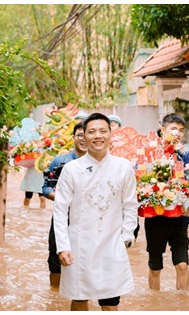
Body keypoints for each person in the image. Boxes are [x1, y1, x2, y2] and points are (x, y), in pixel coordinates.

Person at [53, 113, 138, 311]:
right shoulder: (72, 169)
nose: (97, 136)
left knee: (110, 303)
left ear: (110, 134)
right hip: (78, 247)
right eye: (91, 132)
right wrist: (62, 246)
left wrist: (126, 237)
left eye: (102, 131)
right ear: (83, 136)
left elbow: (130, 205)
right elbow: (60, 210)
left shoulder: (123, 167)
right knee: (80, 299)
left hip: (112, 245)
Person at [145, 113, 189, 291]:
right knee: (155, 267)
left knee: (182, 264)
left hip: (179, 220)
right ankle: (155, 303)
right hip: (155, 218)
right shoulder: (150, 152)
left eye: (181, 130)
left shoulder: (188, 155)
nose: (178, 133)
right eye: (173, 129)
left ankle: (182, 305)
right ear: (163, 130)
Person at [42, 122, 88, 288]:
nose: (83, 139)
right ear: (74, 137)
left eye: (86, 135)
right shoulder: (59, 161)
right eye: (79, 135)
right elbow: (46, 187)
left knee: (86, 258)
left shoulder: (99, 163)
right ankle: (55, 297)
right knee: (55, 259)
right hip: (63, 215)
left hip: (88, 218)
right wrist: (60, 197)